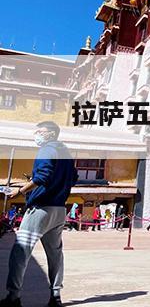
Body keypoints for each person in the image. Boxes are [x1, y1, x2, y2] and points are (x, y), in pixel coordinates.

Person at [0, 121, 78, 307]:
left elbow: (42, 176)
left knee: (20, 251)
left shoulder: (47, 150)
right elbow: (73, 178)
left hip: (40, 210)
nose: (36, 135)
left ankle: (13, 297)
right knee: (55, 254)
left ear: (50, 133)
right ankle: (55, 297)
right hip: (59, 210)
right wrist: (56, 186)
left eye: (39, 131)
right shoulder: (65, 153)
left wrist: (19, 192)